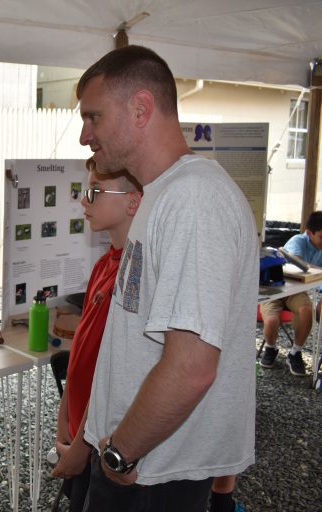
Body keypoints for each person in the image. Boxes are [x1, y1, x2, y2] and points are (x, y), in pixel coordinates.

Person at [77, 45, 259, 511]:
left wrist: (120, 454)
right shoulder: (164, 193)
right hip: (139, 467)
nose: (84, 135)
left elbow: (192, 366)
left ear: (140, 108)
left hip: (150, 474)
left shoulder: (195, 198)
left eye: (94, 117)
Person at [51, 157, 142, 512]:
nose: (84, 201)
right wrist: (64, 421)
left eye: (94, 192)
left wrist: (81, 448)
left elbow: (115, 374)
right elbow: (82, 358)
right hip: (82, 434)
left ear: (133, 200)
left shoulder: (133, 276)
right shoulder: (104, 264)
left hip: (102, 443)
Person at [259, 210, 322, 376]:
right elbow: (294, 267)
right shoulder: (298, 241)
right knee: (272, 321)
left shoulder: (319, 246)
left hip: (297, 291)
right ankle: (271, 348)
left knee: (306, 310)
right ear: (309, 233)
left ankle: (295, 352)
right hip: (276, 288)